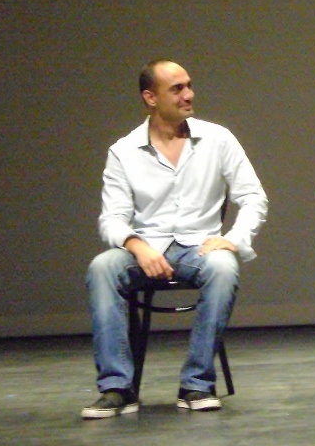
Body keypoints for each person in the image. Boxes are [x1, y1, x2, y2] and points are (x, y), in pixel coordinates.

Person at [82, 59, 269, 419]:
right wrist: (137, 246)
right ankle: (117, 387)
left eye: (189, 86)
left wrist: (234, 238)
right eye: (177, 89)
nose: (189, 95)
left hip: (199, 246)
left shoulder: (217, 139)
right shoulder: (124, 151)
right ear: (151, 98)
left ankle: (196, 383)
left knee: (223, 267)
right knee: (102, 268)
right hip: (146, 247)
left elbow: (253, 197)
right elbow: (112, 218)